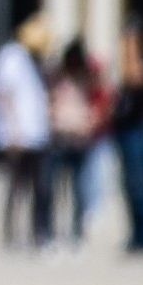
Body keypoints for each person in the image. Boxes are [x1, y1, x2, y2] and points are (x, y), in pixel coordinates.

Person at [0, 17, 52, 252]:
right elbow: (4, 94)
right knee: (15, 187)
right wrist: (12, 130)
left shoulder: (36, 60)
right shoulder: (10, 56)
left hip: (37, 133)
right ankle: (10, 234)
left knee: (40, 187)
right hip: (17, 135)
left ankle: (39, 234)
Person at [107, 23, 143, 255]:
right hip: (126, 130)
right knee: (129, 184)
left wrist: (129, 50)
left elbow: (134, 78)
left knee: (141, 183)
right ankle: (136, 234)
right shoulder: (121, 62)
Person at [45, 40, 101, 247]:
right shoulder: (56, 78)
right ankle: (50, 233)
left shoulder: (88, 78)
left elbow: (102, 99)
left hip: (79, 140)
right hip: (60, 137)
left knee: (79, 190)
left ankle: (76, 232)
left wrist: (90, 123)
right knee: (53, 190)